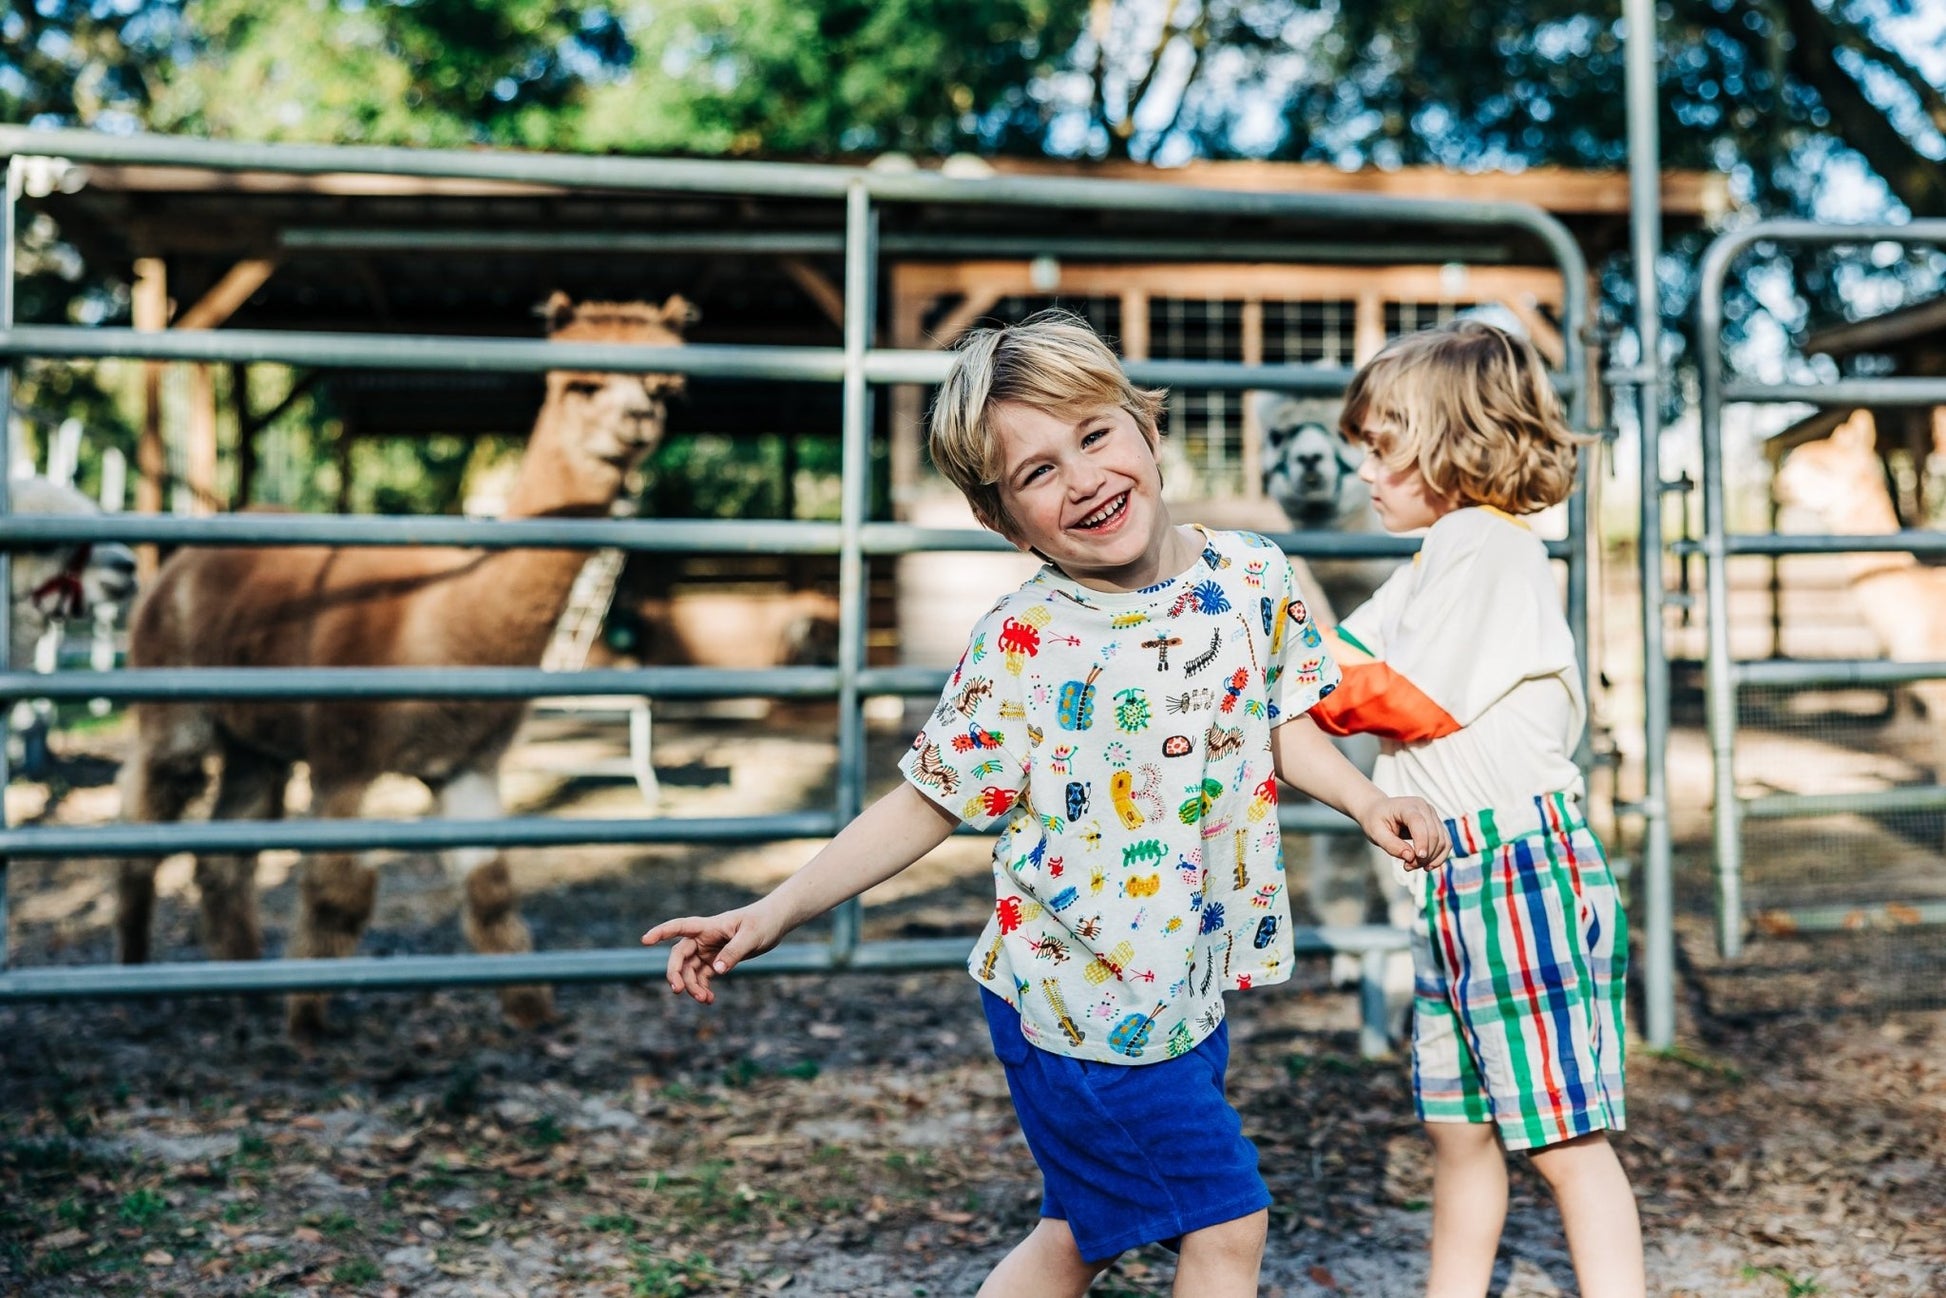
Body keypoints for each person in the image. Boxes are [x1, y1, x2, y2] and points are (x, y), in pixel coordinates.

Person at [645, 309, 1450, 1298]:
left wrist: (1363, 798)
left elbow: (1278, 720)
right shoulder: (1021, 640)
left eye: (1093, 434)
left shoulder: (1251, 576)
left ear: (1145, 427)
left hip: (1181, 977)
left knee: (1080, 1230)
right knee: (1226, 1221)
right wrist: (770, 910)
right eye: (1035, 473)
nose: (1081, 479)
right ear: (1002, 520)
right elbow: (924, 800)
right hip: (1076, 997)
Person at [1309, 319, 1644, 1298]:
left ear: (1447, 441)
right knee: (1456, 1128)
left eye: (1379, 447)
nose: (1362, 471)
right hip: (1452, 876)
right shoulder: (1429, 560)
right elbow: (1328, 656)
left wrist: (1257, 635)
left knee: (1561, 1137)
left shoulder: (1482, 546)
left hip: (1514, 868)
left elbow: (1381, 693)